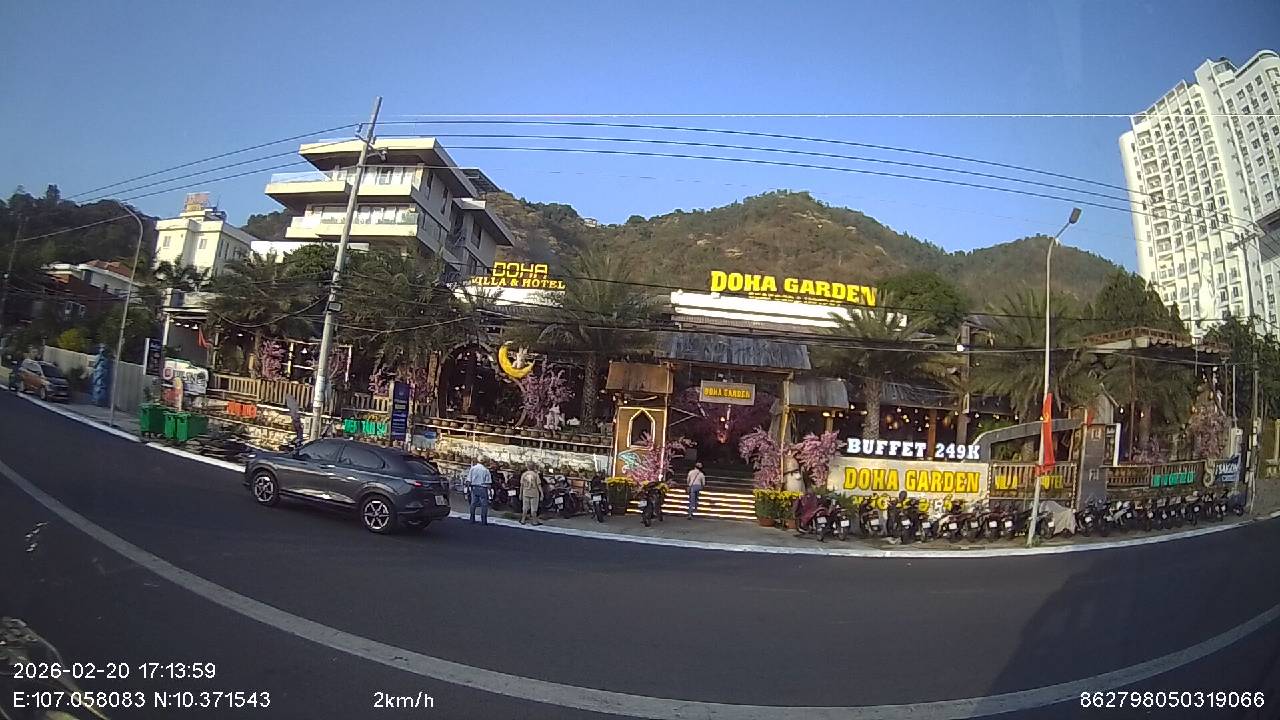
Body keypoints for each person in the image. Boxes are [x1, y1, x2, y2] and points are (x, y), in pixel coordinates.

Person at [467, 459, 493, 525]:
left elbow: (468, 480)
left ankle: (472, 519)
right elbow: (488, 483)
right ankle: (483, 520)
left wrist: (467, 490)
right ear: (485, 463)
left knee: (473, 504)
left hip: (474, 487)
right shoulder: (486, 470)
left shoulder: (473, 468)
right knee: (484, 505)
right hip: (482, 488)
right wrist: (490, 492)